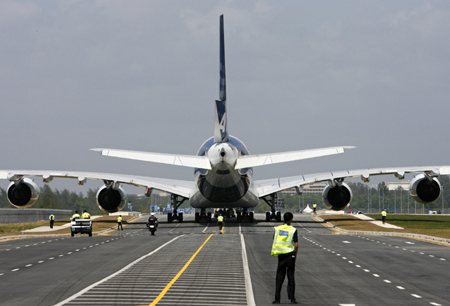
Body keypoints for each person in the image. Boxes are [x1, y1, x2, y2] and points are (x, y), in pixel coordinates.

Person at [271, 212, 299, 304]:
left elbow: (274, 239)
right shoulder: (293, 230)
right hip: (290, 255)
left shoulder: (277, 228)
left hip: (281, 255)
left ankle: (277, 298)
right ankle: (292, 298)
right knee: (291, 277)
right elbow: (296, 244)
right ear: (291, 219)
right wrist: (295, 255)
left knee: (279, 277)